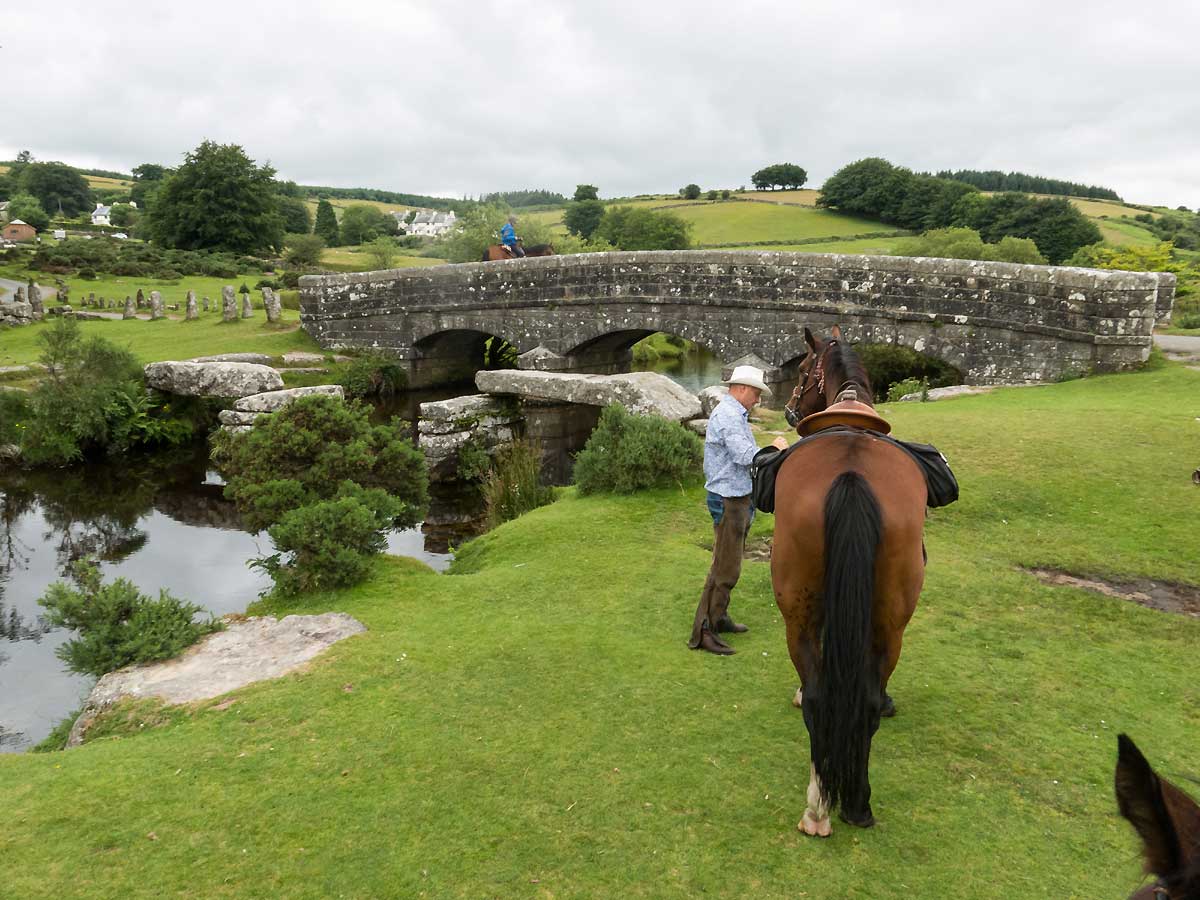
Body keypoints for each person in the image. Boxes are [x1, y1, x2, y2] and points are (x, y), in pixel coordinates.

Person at [689, 365, 789, 655]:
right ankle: (704, 631)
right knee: (724, 566)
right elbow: (745, 455)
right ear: (742, 389)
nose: (757, 398)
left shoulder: (734, 414)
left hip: (736, 497)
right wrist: (774, 448)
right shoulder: (729, 416)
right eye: (756, 392)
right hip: (728, 499)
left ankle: (718, 617)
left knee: (729, 563)